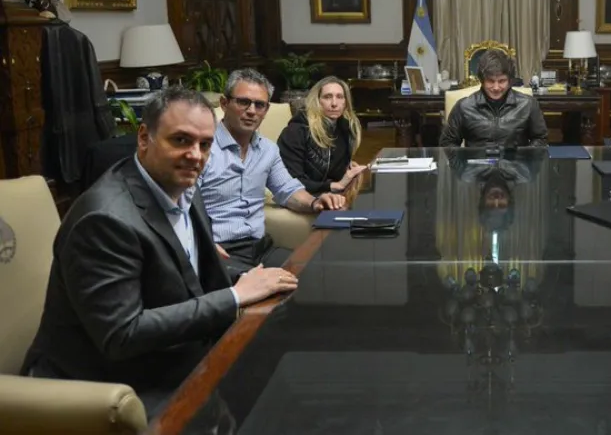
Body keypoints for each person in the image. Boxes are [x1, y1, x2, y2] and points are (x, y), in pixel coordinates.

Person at [21, 88, 299, 415]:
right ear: (144, 137)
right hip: (107, 382)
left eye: (205, 144)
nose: (195, 155)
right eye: (181, 140)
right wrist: (236, 296)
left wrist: (246, 277)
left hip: (170, 353)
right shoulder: (104, 220)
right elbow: (122, 334)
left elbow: (181, 269)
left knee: (281, 374)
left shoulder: (181, 184)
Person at [199, 69, 346, 279]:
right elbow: (181, 208)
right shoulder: (201, 150)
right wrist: (200, 244)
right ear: (224, 103)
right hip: (220, 252)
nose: (252, 111)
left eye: (259, 105)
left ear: (266, 110)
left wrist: (315, 203)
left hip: (261, 248)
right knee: (276, 290)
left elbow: (288, 190)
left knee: (321, 274)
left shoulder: (268, 150)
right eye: (243, 102)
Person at [439, 49, 547, 148]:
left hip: (515, 162)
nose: (496, 87)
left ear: (510, 81)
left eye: (501, 81)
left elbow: (540, 139)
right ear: (482, 80)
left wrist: (524, 158)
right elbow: (447, 143)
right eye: (490, 81)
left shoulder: (528, 104)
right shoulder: (464, 107)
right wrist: (463, 161)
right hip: (477, 162)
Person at [277, 76, 368, 195]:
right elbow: (290, 181)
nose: (334, 103)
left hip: (333, 193)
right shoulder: (295, 132)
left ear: (346, 102)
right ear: (317, 101)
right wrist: (334, 186)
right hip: (303, 196)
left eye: (340, 97)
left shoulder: (345, 128)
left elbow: (332, 169)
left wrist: (348, 169)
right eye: (327, 97)